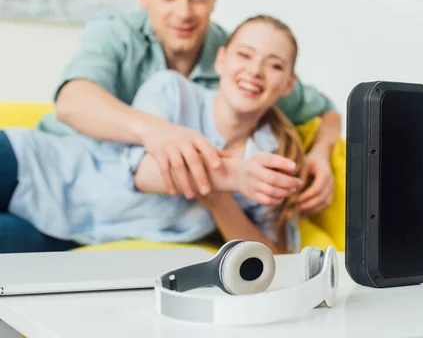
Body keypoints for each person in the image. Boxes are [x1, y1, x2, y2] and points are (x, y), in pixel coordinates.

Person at [1, 15, 312, 255]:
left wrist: (218, 200)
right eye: (245, 55)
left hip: (72, 232)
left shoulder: (274, 155)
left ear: (288, 84)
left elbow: (274, 256)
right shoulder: (172, 90)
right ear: (221, 60)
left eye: (274, 65)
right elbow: (141, 173)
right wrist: (231, 175)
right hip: (33, 165)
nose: (255, 70)